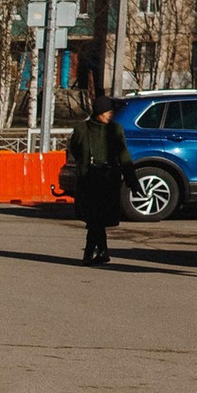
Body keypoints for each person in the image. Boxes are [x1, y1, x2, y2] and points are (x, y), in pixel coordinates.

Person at [64, 96, 129, 266]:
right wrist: (85, 166)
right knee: (95, 217)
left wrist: (131, 179)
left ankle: (93, 251)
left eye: (111, 112)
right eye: (107, 112)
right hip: (89, 179)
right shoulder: (81, 129)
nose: (110, 115)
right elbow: (76, 150)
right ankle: (100, 251)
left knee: (97, 218)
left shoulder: (115, 129)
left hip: (108, 179)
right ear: (98, 112)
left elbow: (123, 154)